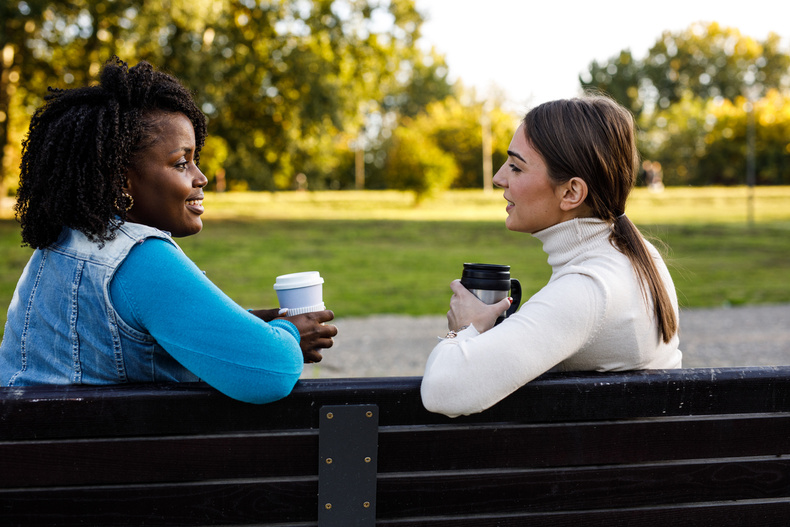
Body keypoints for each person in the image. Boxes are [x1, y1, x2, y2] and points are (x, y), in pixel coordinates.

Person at [0, 57, 337, 404]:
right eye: (181, 163)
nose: (200, 177)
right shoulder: (142, 257)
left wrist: (247, 326)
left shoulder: (58, 246)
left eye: (195, 160)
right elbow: (271, 373)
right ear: (122, 181)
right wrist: (290, 335)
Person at [421, 95, 682, 417]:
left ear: (571, 192)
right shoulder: (638, 257)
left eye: (516, 167)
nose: (499, 178)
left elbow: (443, 391)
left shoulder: (589, 288)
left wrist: (464, 329)